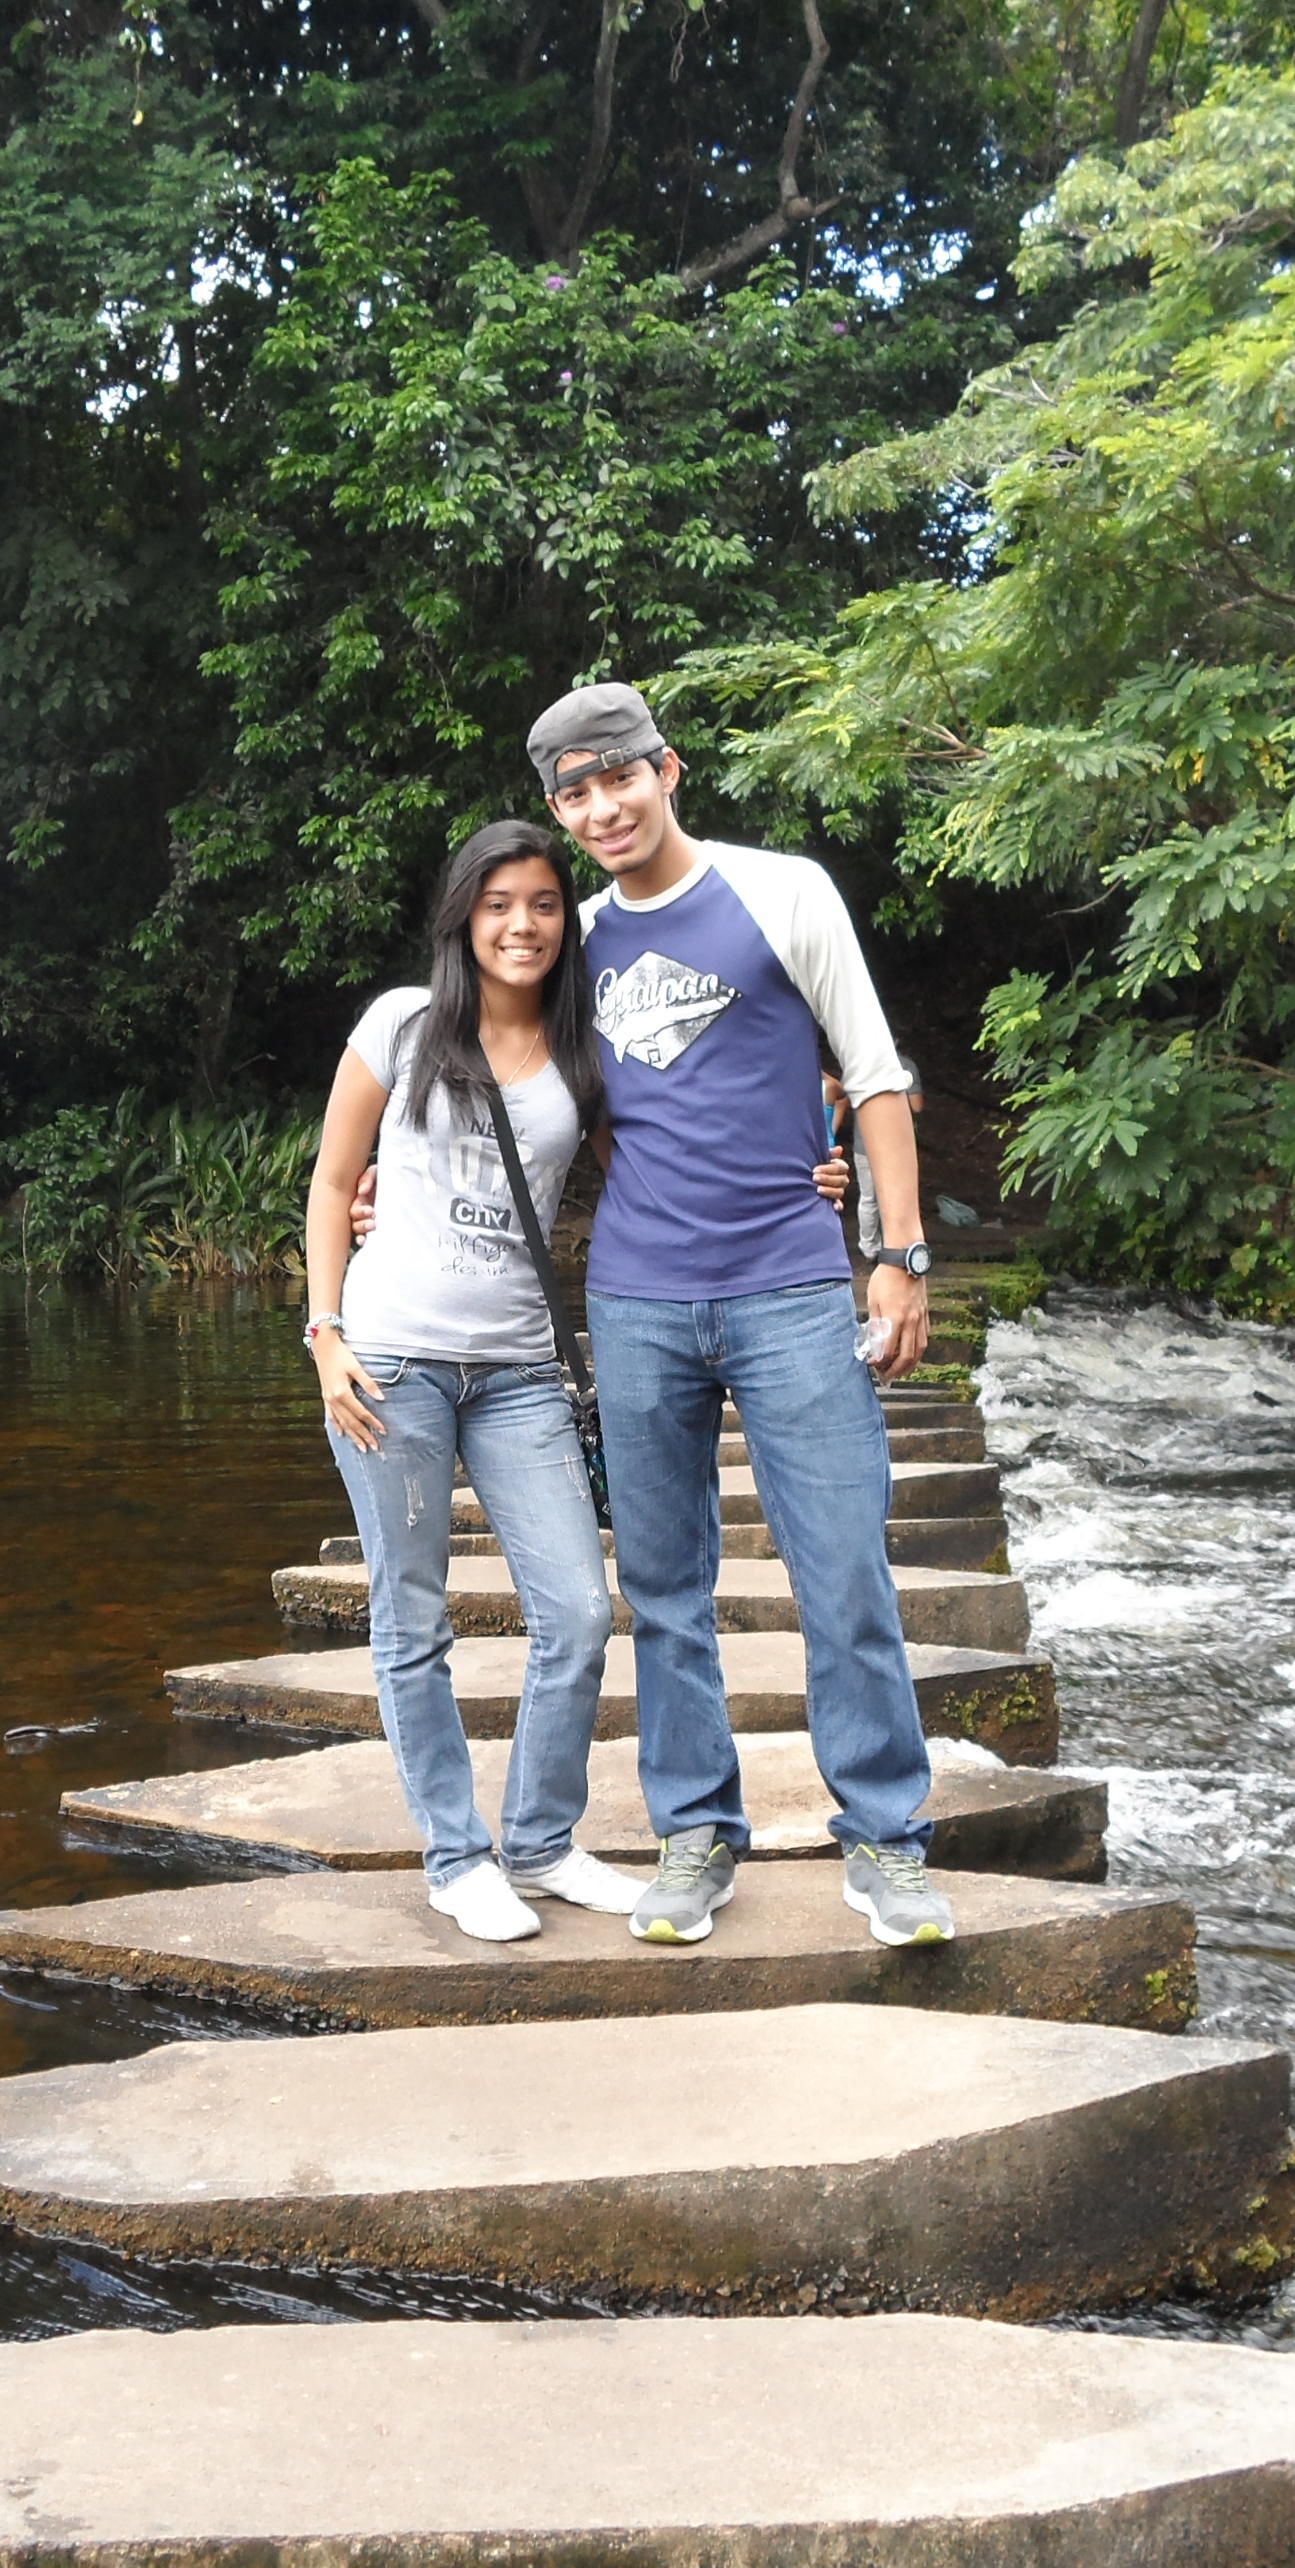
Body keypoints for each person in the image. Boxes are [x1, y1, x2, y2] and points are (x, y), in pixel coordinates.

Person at [526, 680, 958, 1950]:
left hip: (792, 1290)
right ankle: (697, 1834)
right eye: (574, 792)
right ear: (559, 810)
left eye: (620, 777)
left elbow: (873, 1076)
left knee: (844, 1572)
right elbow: (524, 1095)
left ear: (669, 771)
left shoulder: (783, 892)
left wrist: (898, 1253)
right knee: (665, 1590)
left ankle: (885, 1839)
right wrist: (383, 1186)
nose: (603, 807)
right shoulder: (572, 942)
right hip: (638, 1300)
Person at [300, 823, 648, 1939]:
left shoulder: (582, 1053)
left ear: (564, 923)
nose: (521, 925)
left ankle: (539, 1843)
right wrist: (325, 1335)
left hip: (520, 1371)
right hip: (389, 1364)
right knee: (411, 1618)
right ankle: (455, 1858)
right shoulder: (401, 1026)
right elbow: (333, 1182)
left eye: (543, 904)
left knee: (580, 1614)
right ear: (464, 917)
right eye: (498, 904)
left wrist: (809, 1175)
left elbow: (657, 1173)